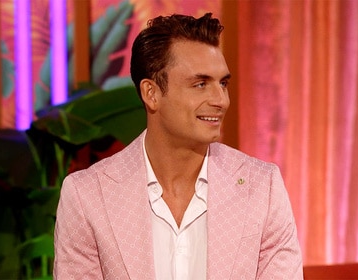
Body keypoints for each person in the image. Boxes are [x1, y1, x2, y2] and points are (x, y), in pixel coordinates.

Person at [53, 13, 303, 279]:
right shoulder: (87, 197)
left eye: (223, 83)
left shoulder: (262, 188)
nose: (221, 100)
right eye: (200, 84)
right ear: (152, 93)